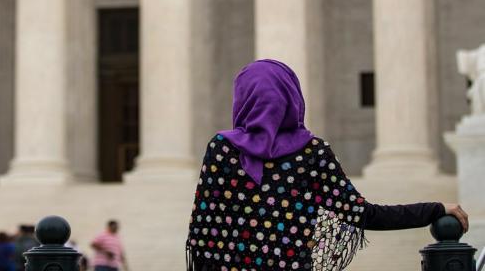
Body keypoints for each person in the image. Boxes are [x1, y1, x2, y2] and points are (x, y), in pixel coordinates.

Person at [186, 59, 470, 270]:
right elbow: (364, 214)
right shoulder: (312, 152)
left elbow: (202, 232)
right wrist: (434, 209)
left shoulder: (222, 148)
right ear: (291, 98)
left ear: (243, 98)